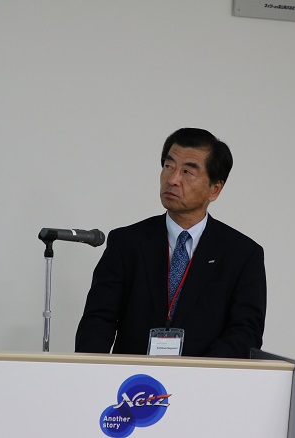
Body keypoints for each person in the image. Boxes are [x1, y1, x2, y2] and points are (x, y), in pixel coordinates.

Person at [75, 128, 266, 358]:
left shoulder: (243, 255)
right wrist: (94, 371)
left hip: (204, 377)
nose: (173, 179)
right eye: (168, 166)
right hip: (134, 378)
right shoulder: (126, 243)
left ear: (215, 189)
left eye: (188, 172)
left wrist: (196, 373)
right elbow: (98, 320)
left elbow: (245, 332)